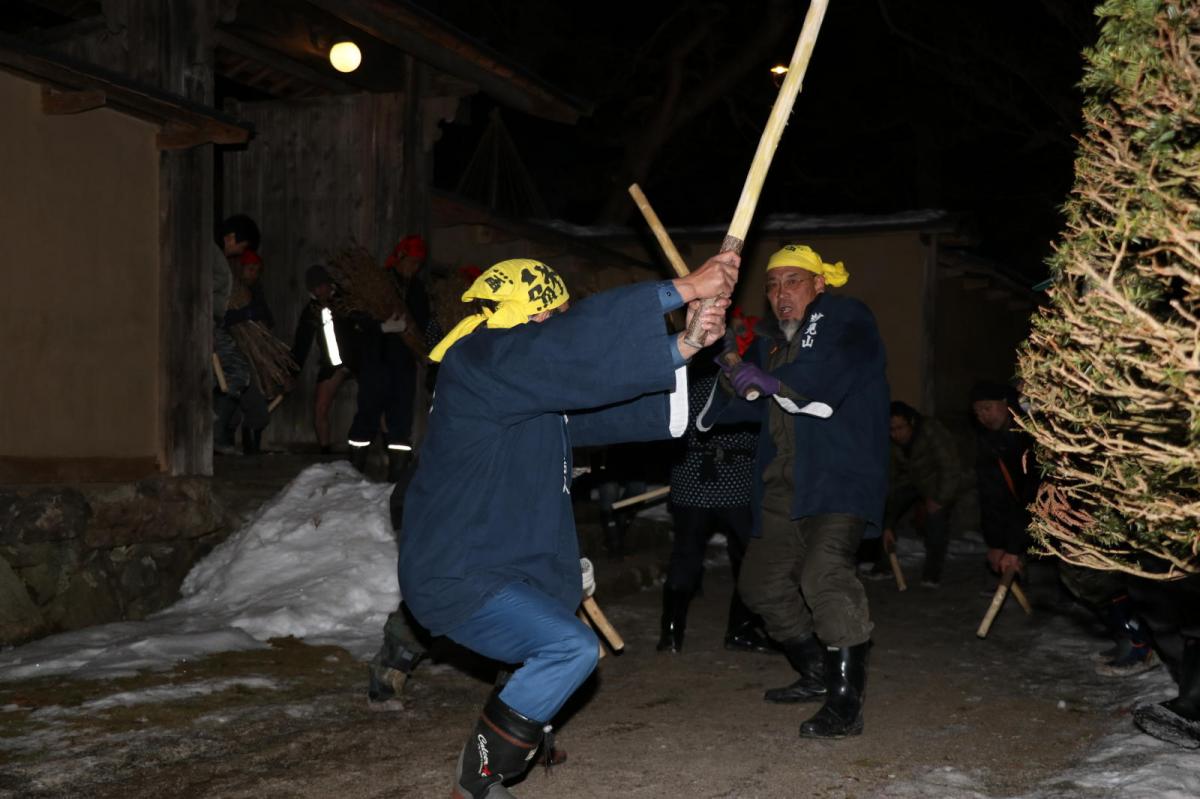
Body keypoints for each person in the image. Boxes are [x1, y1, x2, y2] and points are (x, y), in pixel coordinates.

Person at [398, 253, 737, 797]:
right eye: (547, 313)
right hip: (459, 570)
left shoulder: (519, 382)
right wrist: (683, 288)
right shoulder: (480, 360)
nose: (556, 323)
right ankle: (478, 777)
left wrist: (688, 345)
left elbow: (599, 392)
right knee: (570, 648)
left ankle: (512, 738)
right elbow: (570, 350)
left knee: (559, 649)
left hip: (504, 567)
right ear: (517, 315)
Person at [699, 243, 888, 739]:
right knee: (759, 584)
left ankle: (846, 703)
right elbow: (749, 400)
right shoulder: (774, 343)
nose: (781, 293)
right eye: (773, 283)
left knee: (823, 574)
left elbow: (818, 380)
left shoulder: (844, 317)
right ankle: (816, 672)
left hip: (839, 475)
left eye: (793, 281)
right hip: (784, 482)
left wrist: (766, 377)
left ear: (819, 284)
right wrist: (724, 364)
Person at [658, 361, 774, 655]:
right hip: (698, 475)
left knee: (749, 557)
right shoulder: (687, 375)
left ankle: (739, 629)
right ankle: (673, 632)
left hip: (733, 478)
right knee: (689, 555)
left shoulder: (743, 373)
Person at [347, 234, 431, 481]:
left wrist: (420, 345)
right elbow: (357, 320)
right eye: (411, 261)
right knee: (367, 416)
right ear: (400, 257)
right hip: (376, 362)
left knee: (401, 422)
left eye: (418, 264)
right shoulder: (378, 284)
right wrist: (382, 327)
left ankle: (397, 479)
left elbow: (423, 323)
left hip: (403, 366)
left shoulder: (417, 290)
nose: (414, 268)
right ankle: (353, 473)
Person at [872, 400, 962, 587]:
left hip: (936, 482)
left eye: (900, 427)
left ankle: (932, 573)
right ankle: (883, 564)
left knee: (935, 520)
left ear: (911, 422)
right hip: (910, 482)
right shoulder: (891, 443)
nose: (896, 434)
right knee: (883, 515)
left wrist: (939, 499)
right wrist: (888, 521)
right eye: (891, 429)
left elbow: (949, 467)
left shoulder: (931, 431)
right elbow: (891, 478)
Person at [970, 381, 1039, 580]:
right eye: (978, 412)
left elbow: (1033, 493)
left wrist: (1013, 547)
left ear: (1005, 402)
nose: (983, 417)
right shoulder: (990, 442)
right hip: (1026, 507)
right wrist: (997, 544)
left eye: (987, 408)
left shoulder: (1032, 432)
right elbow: (992, 494)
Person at [212, 215, 269, 456]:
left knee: (233, 375)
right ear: (232, 237)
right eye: (241, 247)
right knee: (236, 371)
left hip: (215, 323)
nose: (238, 253)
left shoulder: (217, 257)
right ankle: (216, 432)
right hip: (208, 324)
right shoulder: (212, 255)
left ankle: (220, 431)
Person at [292, 265, 354, 453]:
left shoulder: (347, 301)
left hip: (356, 359)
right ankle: (325, 453)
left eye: (321, 286)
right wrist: (291, 373)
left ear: (329, 284)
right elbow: (302, 343)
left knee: (376, 399)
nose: (318, 291)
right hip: (332, 365)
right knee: (320, 407)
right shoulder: (311, 310)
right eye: (314, 288)